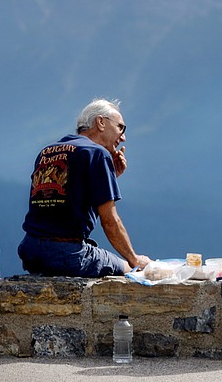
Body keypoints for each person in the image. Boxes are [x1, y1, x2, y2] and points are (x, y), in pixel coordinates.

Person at [18, 98, 152, 277]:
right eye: (121, 127)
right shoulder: (97, 153)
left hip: (30, 250)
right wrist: (135, 260)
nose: (123, 137)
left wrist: (109, 178)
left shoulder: (47, 152)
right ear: (101, 122)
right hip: (67, 254)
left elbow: (64, 203)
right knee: (130, 270)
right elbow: (110, 222)